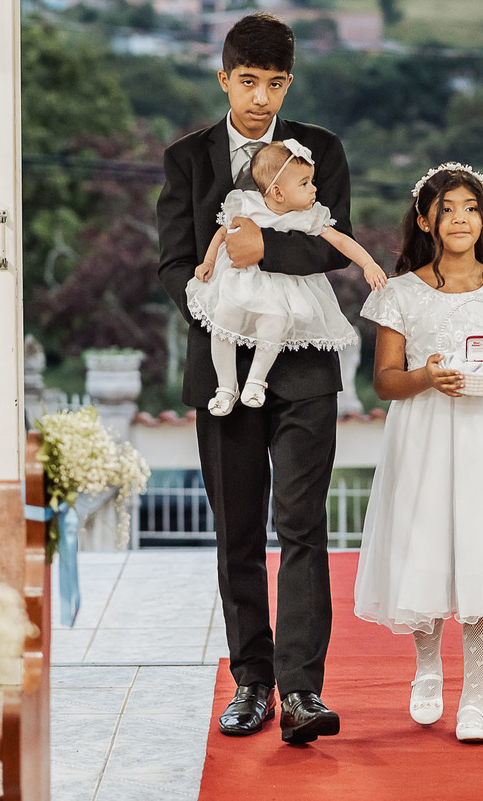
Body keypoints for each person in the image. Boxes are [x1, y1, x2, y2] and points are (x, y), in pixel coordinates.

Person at [156, 13, 353, 743]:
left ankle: (303, 691)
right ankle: (253, 681)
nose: (261, 97)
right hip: (221, 365)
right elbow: (174, 262)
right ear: (224, 79)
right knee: (237, 529)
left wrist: (259, 245)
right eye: (248, 82)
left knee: (302, 526)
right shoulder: (186, 159)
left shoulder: (320, 151)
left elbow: (332, 247)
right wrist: (221, 317)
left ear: (289, 82)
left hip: (306, 370)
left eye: (275, 83)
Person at [353, 163, 483, 744]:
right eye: (447, 208)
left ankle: (475, 701)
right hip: (424, 432)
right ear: (425, 219)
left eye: (470, 207)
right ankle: (426, 670)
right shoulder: (400, 295)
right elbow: (386, 382)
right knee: (427, 545)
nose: (460, 218)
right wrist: (428, 377)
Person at [187, 139, 386, 415]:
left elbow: (340, 241)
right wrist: (208, 261)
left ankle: (256, 380)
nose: (314, 189)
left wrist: (368, 263)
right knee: (224, 319)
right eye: (305, 184)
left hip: (282, 289)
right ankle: (225, 385)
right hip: (242, 280)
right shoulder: (248, 205)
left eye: (311, 182)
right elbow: (223, 232)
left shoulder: (309, 216)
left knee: (276, 322)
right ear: (278, 192)